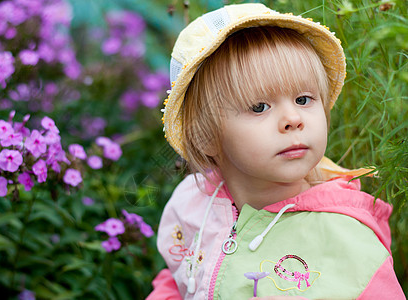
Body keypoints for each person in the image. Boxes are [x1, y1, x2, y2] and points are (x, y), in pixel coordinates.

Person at [147, 3, 404, 299]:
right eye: (259, 107)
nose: (293, 119)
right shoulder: (193, 205)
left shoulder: (346, 241)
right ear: (206, 136)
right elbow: (180, 276)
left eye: (304, 99)